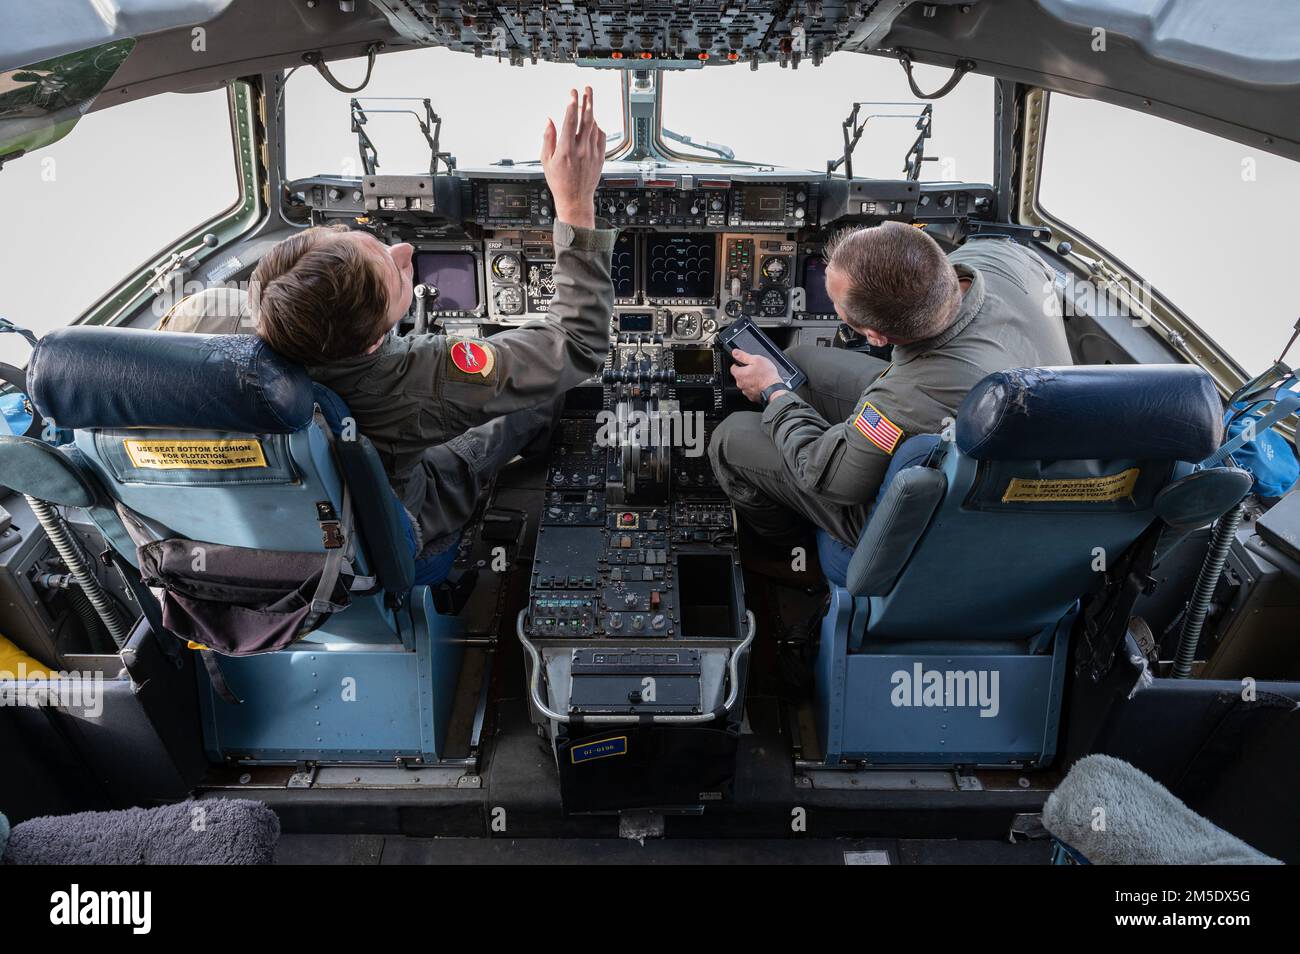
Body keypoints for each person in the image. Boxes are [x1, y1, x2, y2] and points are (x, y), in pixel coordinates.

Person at [250, 88, 614, 578]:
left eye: (372, 241)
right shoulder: (414, 376)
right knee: (534, 400)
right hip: (403, 537)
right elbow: (574, 345)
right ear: (374, 340)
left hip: (288, 542)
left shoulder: (236, 351)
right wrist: (574, 207)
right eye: (395, 273)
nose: (404, 249)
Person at [709, 222, 1072, 558]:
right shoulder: (997, 257)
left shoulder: (911, 396)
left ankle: (788, 555)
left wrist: (774, 392)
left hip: (940, 513)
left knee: (730, 437)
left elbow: (834, 481)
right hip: (998, 425)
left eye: (837, 306)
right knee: (798, 363)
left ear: (875, 338)